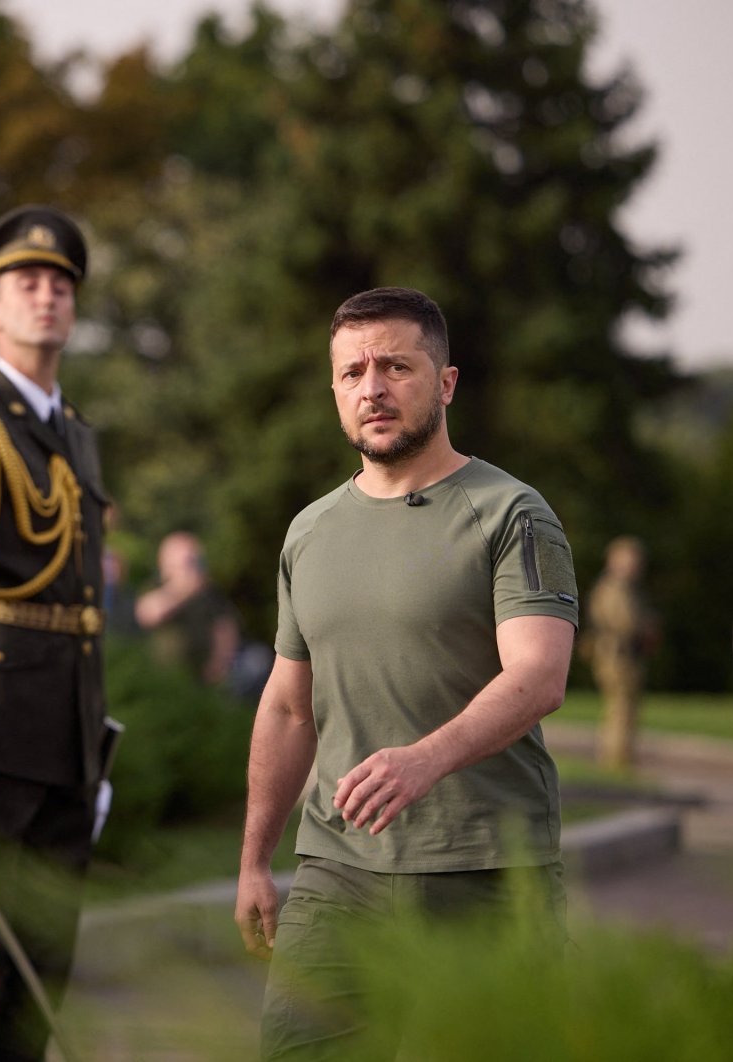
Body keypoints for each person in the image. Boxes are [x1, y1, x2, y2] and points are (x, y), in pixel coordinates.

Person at [233, 287, 579, 1059]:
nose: (373, 388)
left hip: (486, 870)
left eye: (396, 365)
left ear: (446, 381)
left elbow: (538, 676)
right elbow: (291, 708)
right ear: (334, 390)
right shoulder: (309, 531)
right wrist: (256, 858)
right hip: (338, 873)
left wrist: (424, 759)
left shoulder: (511, 513)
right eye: (352, 371)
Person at [0, 205, 110, 1062]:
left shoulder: (75, 433)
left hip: (69, 736)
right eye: (26, 284)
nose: (47, 297)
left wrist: (95, 740)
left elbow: (83, 607)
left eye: (60, 284)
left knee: (50, 965)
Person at [587, 535, 658, 770]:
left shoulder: (622, 588)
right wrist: (646, 626)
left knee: (624, 708)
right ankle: (615, 760)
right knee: (621, 708)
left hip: (621, 655)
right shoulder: (614, 588)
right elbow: (626, 622)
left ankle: (619, 757)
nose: (634, 566)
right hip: (616, 656)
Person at [135, 530, 240, 686]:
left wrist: (220, 663)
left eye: (193, 561)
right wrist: (184, 589)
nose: (190, 569)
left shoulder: (208, 593)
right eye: (184, 563)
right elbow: (150, 614)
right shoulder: (154, 587)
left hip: (204, 676)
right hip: (164, 678)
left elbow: (225, 628)